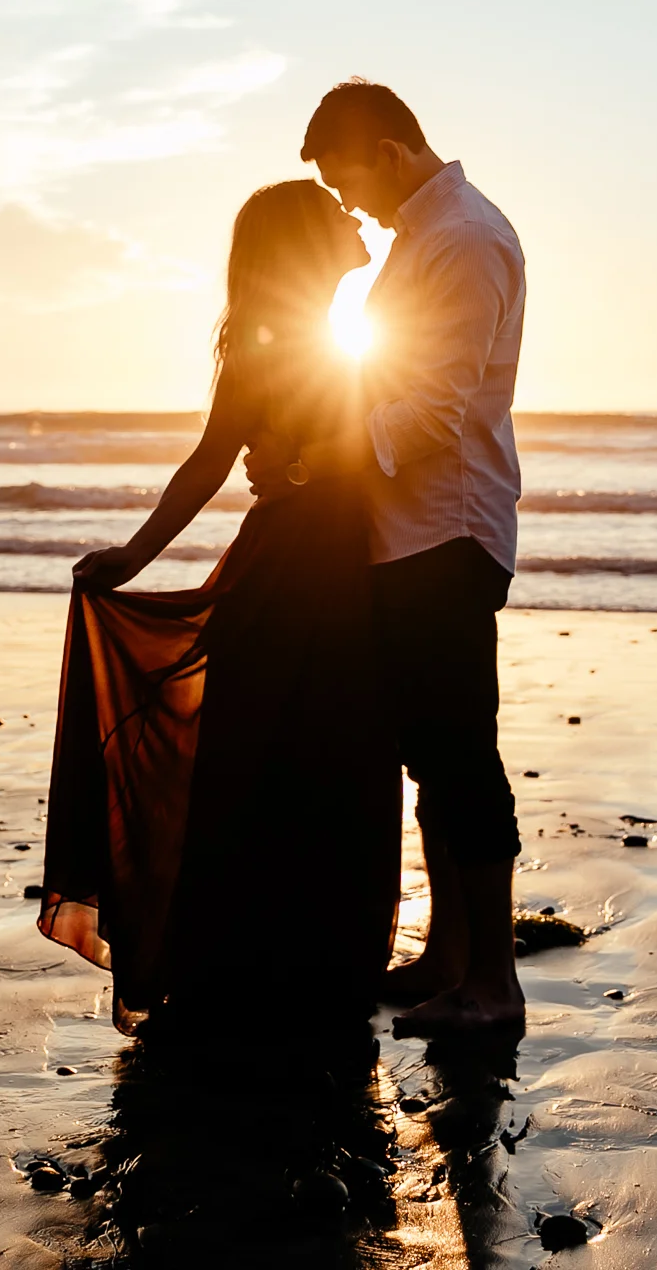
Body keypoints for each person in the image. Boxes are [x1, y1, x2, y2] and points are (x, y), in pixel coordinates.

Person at [38, 180, 400, 1036]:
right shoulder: (286, 343)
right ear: (304, 241)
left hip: (333, 568)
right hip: (295, 571)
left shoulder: (345, 335)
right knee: (285, 763)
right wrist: (135, 555)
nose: (353, 215)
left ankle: (294, 967)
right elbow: (212, 460)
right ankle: (267, 971)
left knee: (316, 761)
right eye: (333, 211)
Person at [246, 79, 528, 1038]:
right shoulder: (424, 235)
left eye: (346, 180)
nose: (347, 202)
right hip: (411, 533)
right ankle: (448, 958)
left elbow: (432, 411)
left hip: (449, 530)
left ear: (388, 150)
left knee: (462, 753)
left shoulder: (465, 238)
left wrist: (309, 465)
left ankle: (494, 984)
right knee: (432, 756)